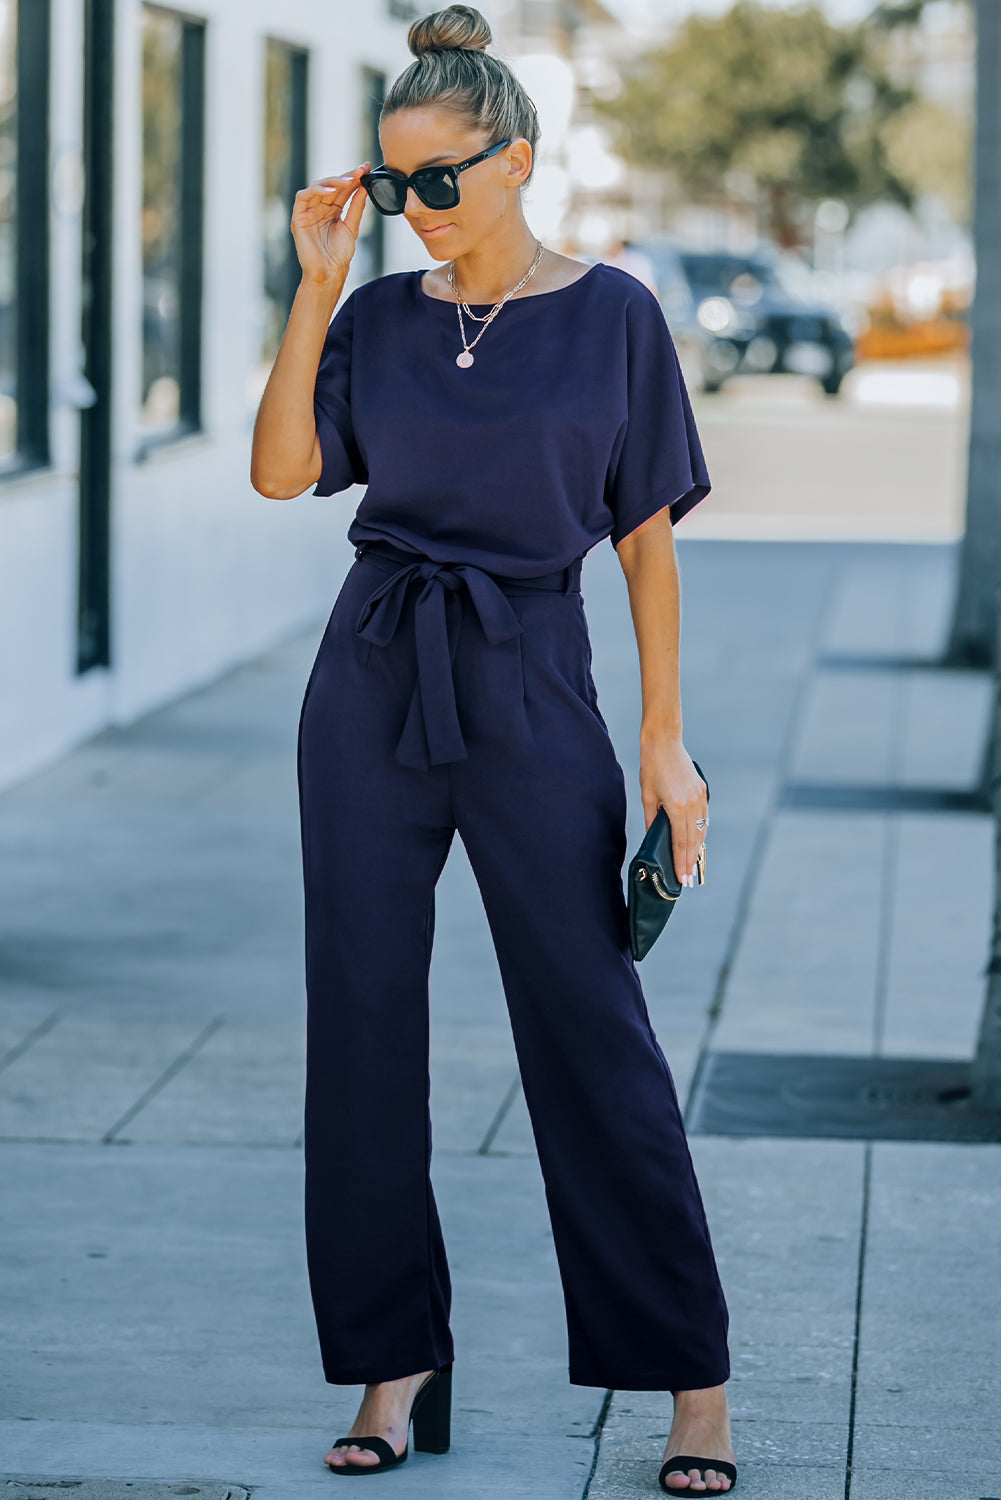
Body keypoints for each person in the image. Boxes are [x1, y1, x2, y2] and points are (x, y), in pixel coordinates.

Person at [250, 5, 737, 1493]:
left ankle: (691, 1387)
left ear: (517, 161)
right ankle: (396, 1367)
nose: (414, 213)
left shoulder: (614, 318)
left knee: (591, 1034)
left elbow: (644, 545)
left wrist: (663, 742)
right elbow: (283, 473)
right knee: (363, 1029)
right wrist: (317, 288)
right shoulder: (380, 316)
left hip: (532, 683)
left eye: (437, 184)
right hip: (373, 677)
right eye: (390, 189)